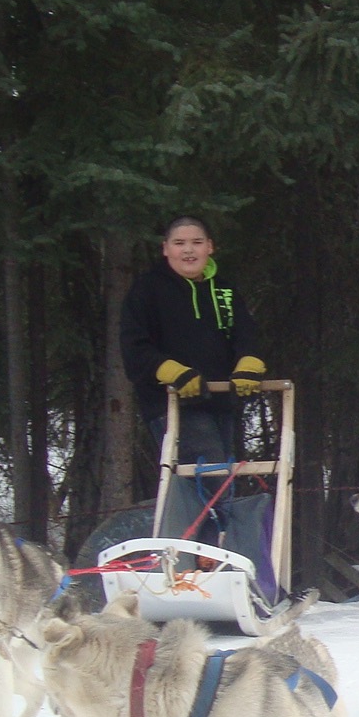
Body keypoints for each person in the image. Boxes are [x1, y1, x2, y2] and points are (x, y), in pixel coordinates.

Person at [119, 217, 268, 535]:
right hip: (172, 403)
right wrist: (172, 372)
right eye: (179, 243)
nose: (189, 250)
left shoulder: (224, 289)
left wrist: (248, 361)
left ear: (210, 247)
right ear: (166, 249)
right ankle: (203, 556)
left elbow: (244, 331)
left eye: (197, 243)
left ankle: (212, 555)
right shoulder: (148, 289)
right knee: (210, 476)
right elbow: (134, 346)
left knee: (219, 479)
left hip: (219, 401)